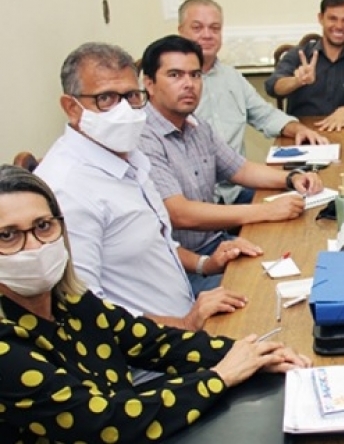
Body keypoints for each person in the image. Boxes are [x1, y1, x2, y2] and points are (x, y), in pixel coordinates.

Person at [0, 164, 310, 443]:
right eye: (8, 235)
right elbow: (103, 423)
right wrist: (220, 376)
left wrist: (250, 353)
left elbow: (155, 343)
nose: (34, 247)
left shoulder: (71, 301)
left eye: (43, 226)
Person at [36, 42, 253, 328]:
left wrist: (205, 264)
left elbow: (155, 241)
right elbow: (86, 313)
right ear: (71, 107)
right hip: (149, 359)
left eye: (130, 96)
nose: (124, 110)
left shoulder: (130, 157)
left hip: (185, 318)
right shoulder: (67, 190)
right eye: (106, 99)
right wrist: (187, 323)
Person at [138, 35, 322, 294]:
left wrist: (292, 178)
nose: (189, 84)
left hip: (218, 245)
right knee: (266, 294)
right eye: (175, 75)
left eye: (195, 75)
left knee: (304, 261)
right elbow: (179, 214)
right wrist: (265, 211)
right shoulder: (143, 137)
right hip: (182, 268)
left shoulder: (196, 126)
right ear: (149, 84)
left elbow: (241, 169)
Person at [177, 0, 328, 206]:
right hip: (195, 200)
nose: (207, 35)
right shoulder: (172, 87)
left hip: (236, 190)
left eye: (214, 28)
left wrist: (298, 129)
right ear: (181, 30)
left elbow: (265, 115)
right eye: (197, 28)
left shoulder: (232, 77)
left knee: (310, 205)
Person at [265, 0, 344, 129]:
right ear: (321, 18)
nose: (339, 26)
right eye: (332, 18)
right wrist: (296, 81)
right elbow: (272, 86)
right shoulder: (299, 54)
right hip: (302, 132)